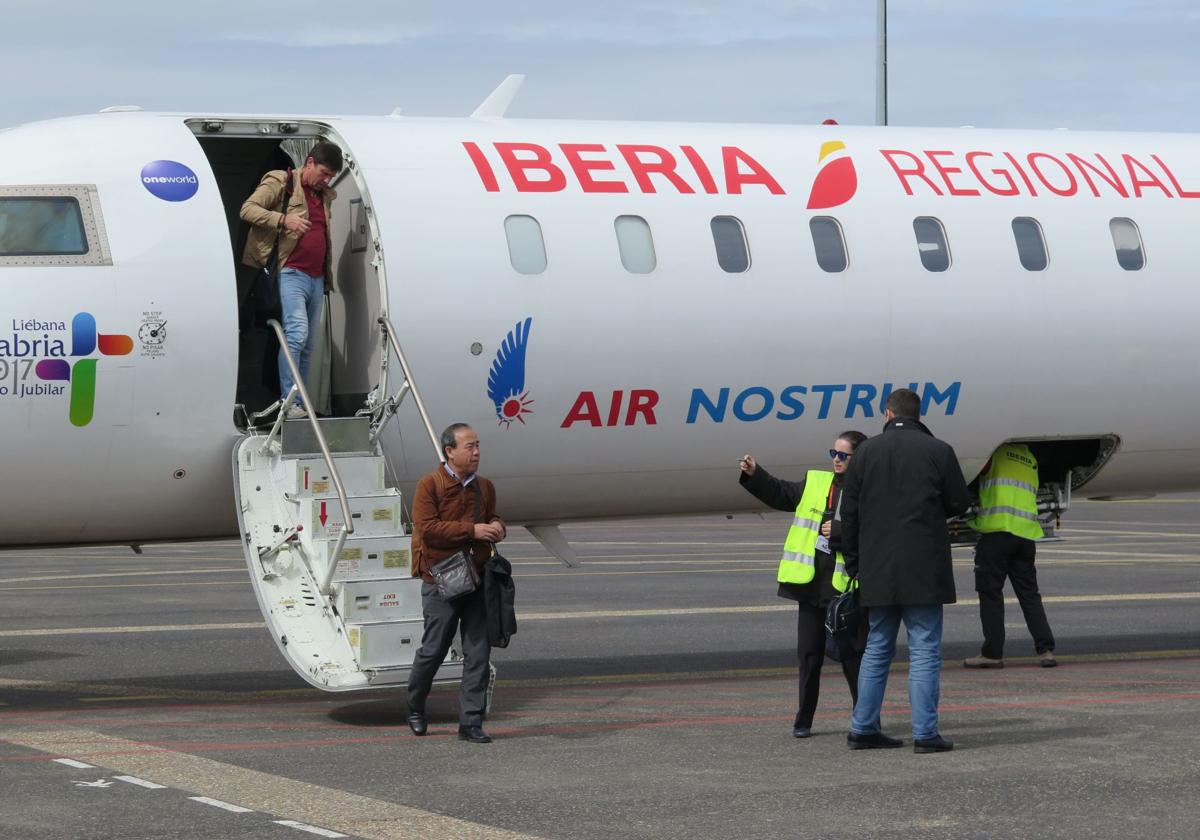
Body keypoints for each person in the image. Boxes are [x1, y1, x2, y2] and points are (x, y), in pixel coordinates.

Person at [840, 388, 970, 754]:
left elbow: (848, 515)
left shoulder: (865, 453)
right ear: (919, 415)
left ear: (887, 414)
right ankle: (925, 733)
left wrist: (855, 563)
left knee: (877, 648)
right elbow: (960, 501)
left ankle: (862, 727)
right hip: (924, 567)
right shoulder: (938, 450)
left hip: (877, 567)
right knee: (925, 649)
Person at [739, 432, 869, 739]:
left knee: (851, 658)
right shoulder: (816, 482)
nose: (836, 459)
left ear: (858, 459)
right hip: (810, 588)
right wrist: (756, 474)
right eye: (833, 453)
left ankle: (864, 719)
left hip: (843, 590)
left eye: (843, 455)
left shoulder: (869, 492)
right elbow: (782, 494)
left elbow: (876, 534)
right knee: (809, 657)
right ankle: (804, 719)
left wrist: (841, 532)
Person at [406, 423, 507, 743]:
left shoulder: (485, 487)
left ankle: (471, 722)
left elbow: (493, 516)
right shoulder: (429, 485)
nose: (476, 452)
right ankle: (415, 708)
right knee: (433, 651)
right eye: (469, 447)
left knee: (478, 652)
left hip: (477, 579)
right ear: (449, 451)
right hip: (441, 580)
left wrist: (496, 527)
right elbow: (427, 529)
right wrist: (472, 531)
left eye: (478, 446)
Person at [239, 141, 343, 419]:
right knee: (297, 335)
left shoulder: (324, 195)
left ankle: (301, 401)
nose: (326, 179)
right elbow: (247, 209)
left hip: (316, 277)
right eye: (323, 172)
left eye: (331, 176)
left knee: (308, 344)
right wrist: (284, 220)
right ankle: (290, 401)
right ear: (308, 163)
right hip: (290, 272)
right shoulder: (281, 180)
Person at [964, 443, 1057, 669]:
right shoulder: (1029, 457)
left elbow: (974, 471)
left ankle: (993, 653)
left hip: (996, 533)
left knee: (991, 595)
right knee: (1029, 595)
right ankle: (1046, 650)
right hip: (1025, 535)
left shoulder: (994, 453)